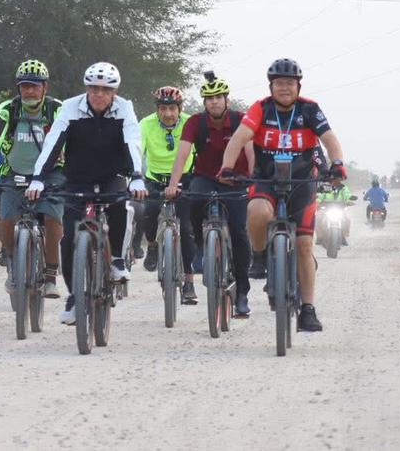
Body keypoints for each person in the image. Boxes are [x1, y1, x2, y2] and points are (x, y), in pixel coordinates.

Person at [219, 58, 347, 333]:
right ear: (271, 86)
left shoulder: (310, 109)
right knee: (256, 212)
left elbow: (330, 139)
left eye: (289, 83)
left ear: (298, 86)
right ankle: (261, 255)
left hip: (302, 182)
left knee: (303, 246)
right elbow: (239, 138)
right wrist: (227, 167)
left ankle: (308, 310)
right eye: (279, 84)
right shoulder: (260, 109)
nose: (284, 88)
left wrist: (337, 164)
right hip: (265, 178)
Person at [25, 62, 146, 325]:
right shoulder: (71, 107)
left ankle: (116, 261)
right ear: (87, 88)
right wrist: (37, 178)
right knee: (68, 241)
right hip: (77, 180)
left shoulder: (124, 108)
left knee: (122, 207)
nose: (98, 94)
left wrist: (136, 177)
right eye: (93, 88)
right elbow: (53, 143)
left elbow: (132, 141)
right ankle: (74, 296)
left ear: (114, 91)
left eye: (105, 89)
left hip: (112, 176)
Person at [0, 60, 66, 298]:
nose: (29, 91)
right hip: (13, 171)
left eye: (34, 86)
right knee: (5, 218)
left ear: (45, 87)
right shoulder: (9, 109)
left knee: (53, 217)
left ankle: (50, 275)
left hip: (51, 173)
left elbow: (72, 141)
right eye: (24, 86)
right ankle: (14, 262)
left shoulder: (57, 109)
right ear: (18, 88)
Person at [165, 72, 254, 317]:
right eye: (209, 98)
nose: (214, 102)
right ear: (204, 102)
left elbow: (250, 151)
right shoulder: (195, 122)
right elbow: (182, 155)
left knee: (238, 231)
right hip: (205, 178)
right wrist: (173, 185)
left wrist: (254, 181)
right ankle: (203, 248)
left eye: (218, 97)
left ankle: (243, 292)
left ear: (227, 99)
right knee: (193, 203)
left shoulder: (240, 120)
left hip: (237, 179)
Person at [136, 86, 197, 303]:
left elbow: (199, 151)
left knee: (188, 228)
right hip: (155, 179)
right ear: (157, 109)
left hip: (185, 179)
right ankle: (152, 246)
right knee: (148, 212)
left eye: (172, 108)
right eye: (163, 108)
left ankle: (189, 281)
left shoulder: (191, 122)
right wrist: (133, 175)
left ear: (180, 108)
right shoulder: (146, 124)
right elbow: (137, 149)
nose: (168, 114)